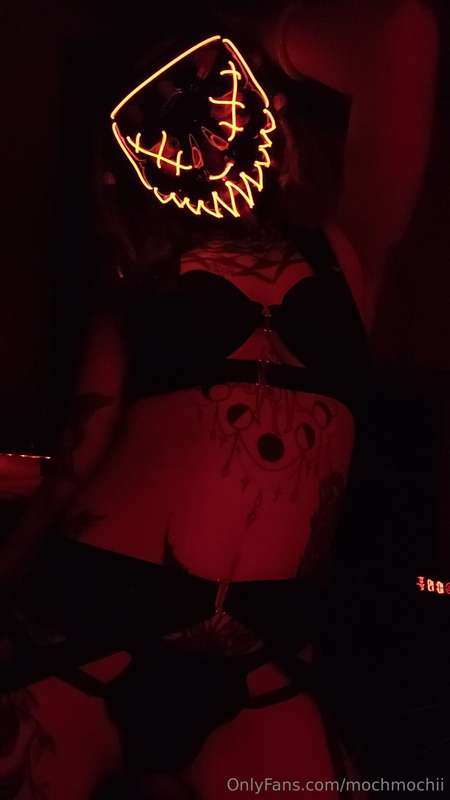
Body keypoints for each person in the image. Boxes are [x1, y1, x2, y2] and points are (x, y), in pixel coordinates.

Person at [0, 2, 438, 798]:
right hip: (90, 622)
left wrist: (249, 40)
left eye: (217, 92)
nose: (199, 110)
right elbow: (78, 462)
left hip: (261, 653)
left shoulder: (349, 252)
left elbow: (402, 29)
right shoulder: (140, 285)